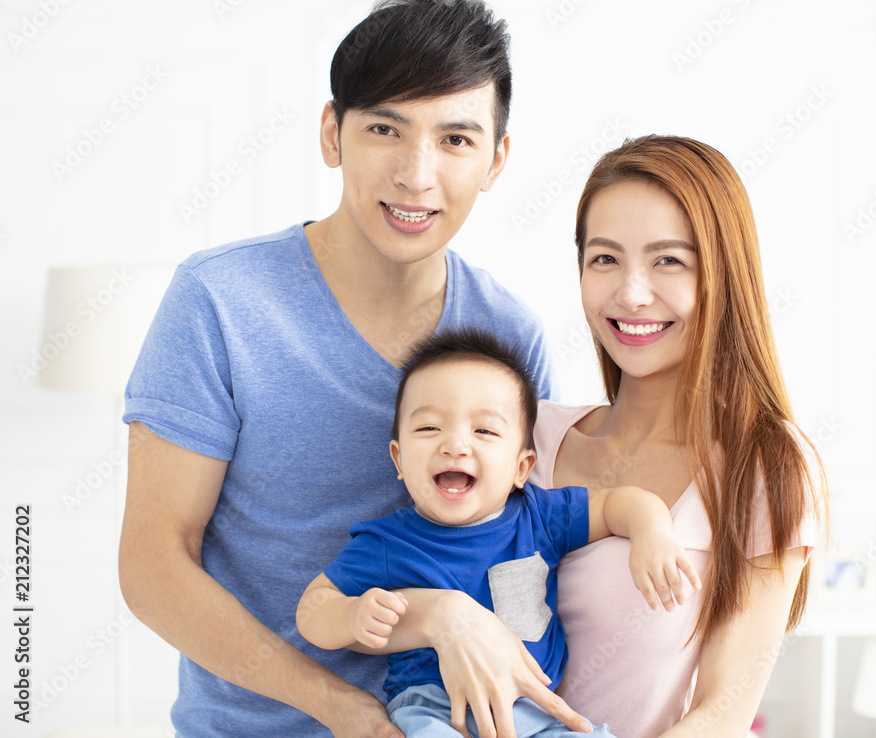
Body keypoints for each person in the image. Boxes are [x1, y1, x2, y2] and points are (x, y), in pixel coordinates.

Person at [116, 2, 579, 736]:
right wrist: (340, 708)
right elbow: (153, 567)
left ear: (496, 160)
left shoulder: (510, 333)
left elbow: (526, 544)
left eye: (455, 138)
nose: (416, 175)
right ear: (333, 134)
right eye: (384, 128)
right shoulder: (220, 300)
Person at [387, 135, 829, 737]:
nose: (631, 292)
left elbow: (721, 715)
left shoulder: (767, 465)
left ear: (724, 273)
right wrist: (442, 615)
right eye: (605, 259)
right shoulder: (524, 437)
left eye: (668, 259)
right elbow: (400, 578)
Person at [296, 328, 701, 737]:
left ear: (522, 468)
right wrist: (351, 615)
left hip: (535, 711)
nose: (455, 445)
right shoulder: (388, 543)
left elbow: (620, 502)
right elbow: (312, 608)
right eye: (429, 429)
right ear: (399, 460)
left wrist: (653, 533)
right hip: (435, 710)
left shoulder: (540, 517)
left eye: (484, 431)